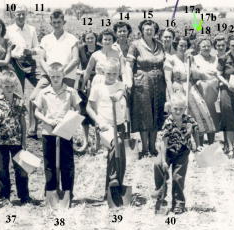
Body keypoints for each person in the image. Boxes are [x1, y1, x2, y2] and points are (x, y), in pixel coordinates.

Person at [34, 62, 81, 201]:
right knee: (49, 164)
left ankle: (67, 192)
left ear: (63, 75)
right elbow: (37, 111)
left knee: (67, 164)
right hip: (48, 132)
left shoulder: (70, 92)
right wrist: (47, 121)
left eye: (58, 76)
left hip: (65, 132)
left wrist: (67, 121)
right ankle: (51, 190)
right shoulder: (44, 92)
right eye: (52, 76)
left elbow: (78, 110)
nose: (55, 79)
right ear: (49, 76)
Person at [33, 10, 80, 139]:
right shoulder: (45, 39)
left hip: (66, 75)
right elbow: (41, 59)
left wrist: (62, 73)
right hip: (49, 75)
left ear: (63, 22)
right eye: (54, 22)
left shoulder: (72, 39)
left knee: (66, 105)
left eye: (59, 22)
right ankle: (33, 130)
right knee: (33, 99)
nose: (57, 25)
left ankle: (67, 133)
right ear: (51, 23)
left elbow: (76, 59)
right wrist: (49, 71)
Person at [164, 36, 216, 151]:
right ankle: (180, 145)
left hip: (190, 87)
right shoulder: (170, 59)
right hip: (177, 89)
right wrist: (172, 96)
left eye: (185, 45)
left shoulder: (190, 58)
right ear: (176, 45)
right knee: (182, 116)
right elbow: (168, 79)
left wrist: (207, 75)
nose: (183, 48)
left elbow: (196, 74)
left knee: (203, 112)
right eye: (180, 45)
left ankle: (205, 146)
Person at [85, 61, 128, 199]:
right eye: (108, 73)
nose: (111, 76)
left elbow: (121, 92)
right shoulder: (97, 87)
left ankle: (112, 190)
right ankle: (113, 178)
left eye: (115, 73)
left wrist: (118, 96)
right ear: (103, 73)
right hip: (104, 126)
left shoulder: (120, 85)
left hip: (119, 125)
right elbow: (89, 108)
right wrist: (99, 122)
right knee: (117, 144)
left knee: (119, 157)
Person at [0, 74, 29, 205]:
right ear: (1, 87)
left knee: (20, 169)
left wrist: (24, 140)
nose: (9, 89)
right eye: (6, 86)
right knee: (2, 169)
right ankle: (4, 196)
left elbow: (23, 121)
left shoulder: (19, 101)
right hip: (1, 141)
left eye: (12, 86)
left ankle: (24, 196)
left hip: (16, 140)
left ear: (15, 86)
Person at [127, 19, 167, 158]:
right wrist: (128, 82)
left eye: (151, 29)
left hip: (159, 84)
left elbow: (166, 63)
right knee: (144, 114)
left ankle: (152, 146)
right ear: (142, 31)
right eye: (146, 29)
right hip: (142, 83)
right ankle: (144, 148)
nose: (149, 31)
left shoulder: (160, 45)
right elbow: (129, 65)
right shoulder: (135, 45)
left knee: (156, 112)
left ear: (155, 31)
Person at [154, 90, 197, 214]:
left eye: (181, 109)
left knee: (178, 177)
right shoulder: (168, 123)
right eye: (175, 109)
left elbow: (195, 131)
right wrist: (163, 161)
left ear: (185, 108)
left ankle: (178, 202)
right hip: (167, 151)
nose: (178, 112)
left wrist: (196, 146)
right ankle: (161, 192)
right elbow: (163, 143)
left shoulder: (188, 120)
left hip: (182, 152)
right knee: (157, 165)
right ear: (170, 108)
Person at [190, 38, 221, 148]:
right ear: (199, 47)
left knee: (212, 115)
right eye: (203, 46)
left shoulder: (215, 58)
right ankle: (200, 144)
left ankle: (212, 143)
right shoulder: (194, 59)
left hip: (214, 90)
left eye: (208, 46)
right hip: (200, 90)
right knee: (200, 115)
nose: (206, 48)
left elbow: (219, 73)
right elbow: (192, 75)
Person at [6, 5, 40, 89]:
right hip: (14, 64)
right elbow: (5, 50)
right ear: (14, 15)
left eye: (23, 14)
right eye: (18, 14)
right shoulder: (8, 30)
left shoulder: (32, 29)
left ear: (26, 15)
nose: (21, 17)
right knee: (18, 91)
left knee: (41, 87)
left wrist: (31, 51)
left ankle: (36, 101)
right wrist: (14, 54)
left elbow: (37, 48)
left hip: (30, 62)